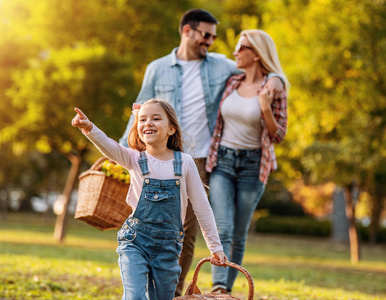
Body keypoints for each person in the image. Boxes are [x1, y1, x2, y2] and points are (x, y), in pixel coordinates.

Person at [119, 9, 285, 296]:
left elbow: (260, 69)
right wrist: (122, 150)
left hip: (201, 158)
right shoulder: (157, 68)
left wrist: (278, 80)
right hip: (159, 154)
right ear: (187, 31)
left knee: (184, 232)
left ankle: (173, 291)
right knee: (151, 223)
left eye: (214, 36)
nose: (210, 41)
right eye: (205, 35)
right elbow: (139, 108)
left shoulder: (221, 66)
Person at [72, 99, 227, 300]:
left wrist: (216, 247)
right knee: (135, 296)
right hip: (135, 241)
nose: (148, 123)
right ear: (138, 129)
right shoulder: (134, 159)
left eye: (156, 118)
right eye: (142, 119)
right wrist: (89, 128)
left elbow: (202, 207)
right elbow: (110, 146)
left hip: (169, 248)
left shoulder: (185, 163)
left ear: (171, 129)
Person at [205, 29, 290, 294]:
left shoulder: (274, 89)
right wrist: (277, 78)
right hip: (223, 161)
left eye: (241, 48)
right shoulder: (232, 81)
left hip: (254, 166)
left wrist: (265, 106)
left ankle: (225, 293)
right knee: (223, 227)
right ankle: (219, 286)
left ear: (256, 54)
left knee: (239, 233)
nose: (235, 53)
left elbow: (279, 134)